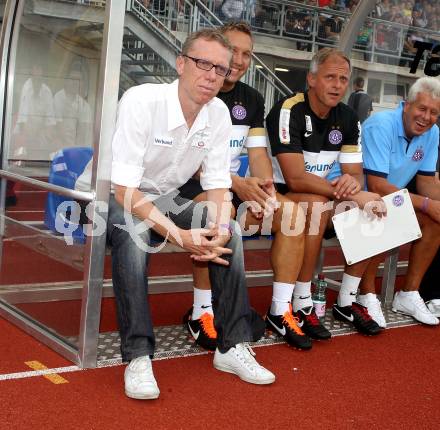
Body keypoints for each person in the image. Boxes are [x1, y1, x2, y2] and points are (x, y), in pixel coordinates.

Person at [80, 29, 276, 400]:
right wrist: (178, 235)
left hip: (161, 197)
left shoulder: (217, 112)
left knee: (230, 229)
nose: (211, 75)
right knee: (134, 228)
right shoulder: (142, 100)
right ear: (181, 64)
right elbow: (124, 190)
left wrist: (217, 226)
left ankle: (231, 346)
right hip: (103, 197)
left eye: (220, 68)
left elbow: (219, 184)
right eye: (203, 64)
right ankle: (138, 356)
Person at [179, 22, 322, 353]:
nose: (240, 60)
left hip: (235, 187)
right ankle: (202, 312)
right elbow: (193, 162)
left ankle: (280, 309)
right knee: (219, 214)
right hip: (192, 187)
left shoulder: (253, 99)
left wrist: (263, 188)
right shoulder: (197, 88)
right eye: (234, 51)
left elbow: (257, 153)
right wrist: (239, 186)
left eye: (247, 54)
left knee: (293, 214)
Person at [266, 48, 386, 336]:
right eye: (330, 77)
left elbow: (354, 171)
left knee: (374, 209)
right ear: (311, 78)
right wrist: (353, 194)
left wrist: (354, 185)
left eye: (343, 79)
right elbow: (294, 178)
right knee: (317, 205)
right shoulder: (288, 109)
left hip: (319, 193)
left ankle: (347, 300)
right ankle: (302, 301)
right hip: (278, 193)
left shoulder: (347, 117)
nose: (337, 85)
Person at [358, 77, 440, 327]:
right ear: (406, 105)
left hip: (392, 199)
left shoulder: (432, 132)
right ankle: (366, 294)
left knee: (434, 220)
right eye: (422, 108)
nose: (426, 117)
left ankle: (408, 293)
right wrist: (426, 204)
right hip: (356, 200)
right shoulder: (381, 125)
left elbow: (426, 183)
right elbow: (377, 186)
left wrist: (435, 205)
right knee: (390, 211)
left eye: (434, 112)